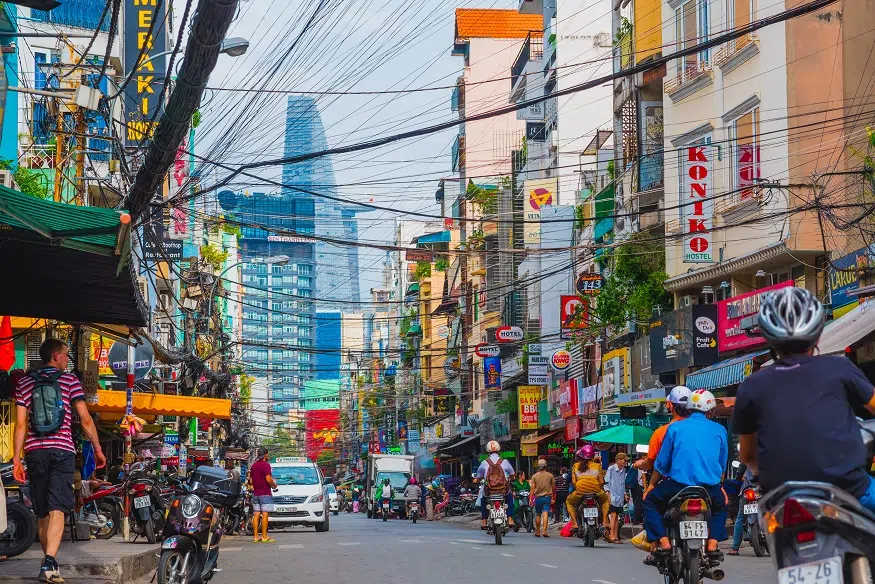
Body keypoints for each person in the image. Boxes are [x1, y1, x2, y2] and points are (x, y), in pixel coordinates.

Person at [733, 286, 875, 512]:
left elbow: (748, 455)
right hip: (849, 489)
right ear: (818, 332)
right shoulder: (839, 369)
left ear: (769, 337)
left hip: (781, 498)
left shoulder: (752, 385)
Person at [13, 338, 106, 583]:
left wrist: (16, 459)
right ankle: (50, 563)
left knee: (42, 510)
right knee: (58, 508)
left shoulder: (24, 382)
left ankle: (48, 562)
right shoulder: (69, 381)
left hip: (35, 452)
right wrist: (97, 448)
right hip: (62, 451)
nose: (67, 359)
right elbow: (85, 419)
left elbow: (21, 424)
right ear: (55, 356)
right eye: (66, 355)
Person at [642, 389, 728, 559]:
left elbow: (661, 463)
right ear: (710, 411)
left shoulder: (674, 428)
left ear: (688, 409)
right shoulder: (720, 430)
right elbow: (721, 464)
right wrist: (720, 487)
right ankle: (712, 543)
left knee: (650, 502)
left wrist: (651, 485)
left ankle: (664, 541)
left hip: (677, 487)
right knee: (720, 507)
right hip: (709, 488)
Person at [635, 386, 692, 475]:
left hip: (672, 483)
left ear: (669, 404)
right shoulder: (704, 430)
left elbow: (650, 463)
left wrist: (639, 464)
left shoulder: (661, 432)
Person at [566, 445, 609, 536]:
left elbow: (574, 482)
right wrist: (598, 487)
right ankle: (605, 521)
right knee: (605, 500)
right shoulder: (597, 466)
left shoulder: (576, 466)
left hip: (580, 492)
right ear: (593, 456)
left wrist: (578, 487)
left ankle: (575, 523)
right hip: (596, 491)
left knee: (569, 501)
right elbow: (601, 481)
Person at [475, 440, 515, 530]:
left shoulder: (484, 462)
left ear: (488, 451)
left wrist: (477, 480)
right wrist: (510, 479)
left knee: (483, 500)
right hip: (503, 490)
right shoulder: (504, 461)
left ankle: (484, 521)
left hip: (489, 490)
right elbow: (512, 474)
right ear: (499, 450)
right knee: (510, 498)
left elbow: (478, 477)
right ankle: (510, 519)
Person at [248, 447, 278, 543]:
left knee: (256, 514)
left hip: (256, 494)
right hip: (265, 493)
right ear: (265, 455)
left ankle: (256, 537)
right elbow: (268, 479)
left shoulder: (253, 466)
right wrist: (274, 485)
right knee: (265, 514)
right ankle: (264, 536)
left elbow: (251, 481)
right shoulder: (266, 465)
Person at [729, 463, 757, 556]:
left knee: (740, 517)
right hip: (764, 490)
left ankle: (734, 548)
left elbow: (741, 470)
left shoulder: (749, 452)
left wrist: (740, 477)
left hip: (748, 489)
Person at [605, 453, 629, 543]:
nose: (625, 462)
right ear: (618, 460)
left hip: (619, 496)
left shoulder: (623, 471)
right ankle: (611, 535)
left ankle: (615, 536)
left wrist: (624, 494)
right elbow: (606, 482)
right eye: (624, 460)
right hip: (612, 495)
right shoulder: (611, 469)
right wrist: (607, 493)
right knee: (613, 515)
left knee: (617, 516)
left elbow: (623, 483)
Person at [530, 458, 556, 537]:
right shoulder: (550, 475)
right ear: (545, 466)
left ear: (538, 467)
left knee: (538, 514)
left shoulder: (534, 476)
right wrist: (552, 497)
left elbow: (532, 488)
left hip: (538, 497)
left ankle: (538, 531)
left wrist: (530, 498)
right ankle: (544, 531)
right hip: (547, 497)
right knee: (545, 513)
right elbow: (553, 487)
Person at [627, 456, 645, 524]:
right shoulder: (641, 463)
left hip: (633, 486)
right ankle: (636, 520)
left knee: (635, 502)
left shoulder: (633, 464)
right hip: (638, 486)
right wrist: (645, 488)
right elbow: (643, 477)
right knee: (639, 503)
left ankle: (638, 519)